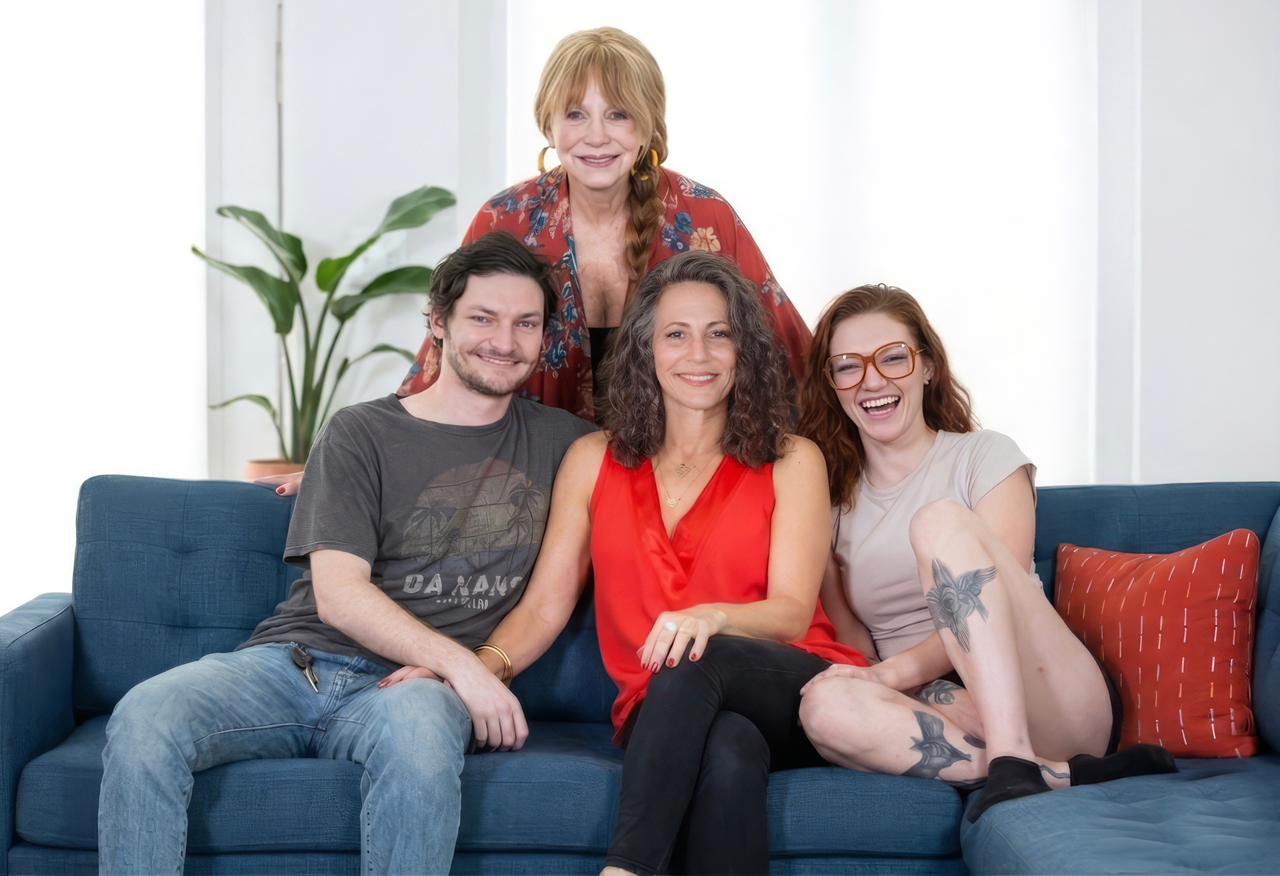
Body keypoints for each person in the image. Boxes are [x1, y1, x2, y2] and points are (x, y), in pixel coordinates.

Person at [97, 232, 595, 873]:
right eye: (483, 318)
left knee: (419, 739)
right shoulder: (360, 431)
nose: (504, 340)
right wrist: (467, 668)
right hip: (293, 665)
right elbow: (339, 594)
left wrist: (463, 673)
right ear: (438, 323)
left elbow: (680, 460)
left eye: (525, 323)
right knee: (146, 713)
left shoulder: (569, 446)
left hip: (413, 693)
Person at [385, 251, 867, 874]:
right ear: (645, 352)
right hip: (659, 708)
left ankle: (625, 868)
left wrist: (709, 619)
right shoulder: (592, 460)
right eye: (676, 334)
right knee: (727, 750)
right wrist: (469, 671)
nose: (699, 354)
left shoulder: (792, 459)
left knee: (700, 656)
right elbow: (545, 606)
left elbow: (791, 612)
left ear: (744, 350)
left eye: (719, 334)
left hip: (790, 685)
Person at [793, 284, 1175, 821]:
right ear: (832, 384)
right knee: (823, 710)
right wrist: (878, 683)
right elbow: (857, 643)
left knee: (940, 521)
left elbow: (992, 598)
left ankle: (1018, 755)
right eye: (848, 367)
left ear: (927, 367)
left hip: (1044, 693)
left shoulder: (985, 456)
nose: (872, 380)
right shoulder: (831, 504)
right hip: (940, 707)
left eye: (893, 358)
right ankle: (1054, 775)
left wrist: (890, 677)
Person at [400, 26, 810, 422]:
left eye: (618, 114)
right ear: (548, 126)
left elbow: (787, 355)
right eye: (576, 114)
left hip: (684, 470)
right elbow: (447, 358)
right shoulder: (505, 219)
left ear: (648, 125)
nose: (596, 136)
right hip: (534, 466)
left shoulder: (705, 216)